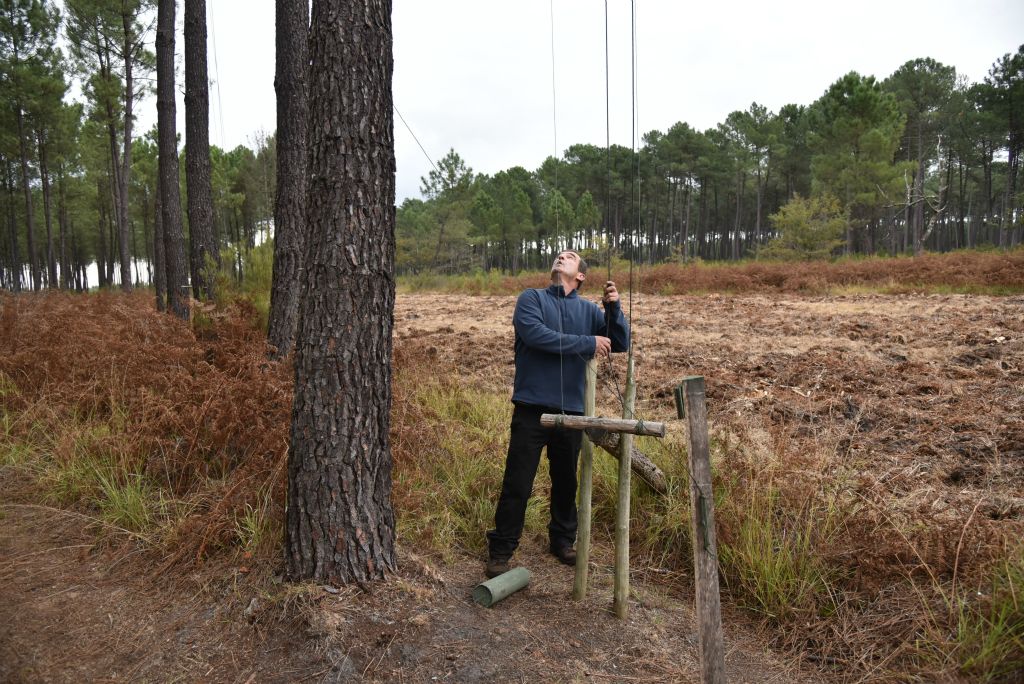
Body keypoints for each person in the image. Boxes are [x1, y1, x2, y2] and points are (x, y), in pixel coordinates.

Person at [485, 250, 630, 578]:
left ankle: (562, 542)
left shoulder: (590, 311)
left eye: (571, 256)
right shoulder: (531, 299)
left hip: (573, 411)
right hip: (531, 408)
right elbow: (537, 337)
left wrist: (614, 308)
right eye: (560, 254)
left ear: (581, 276)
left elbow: (619, 342)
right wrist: (587, 342)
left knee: (566, 481)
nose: (562, 256)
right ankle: (501, 550)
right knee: (518, 481)